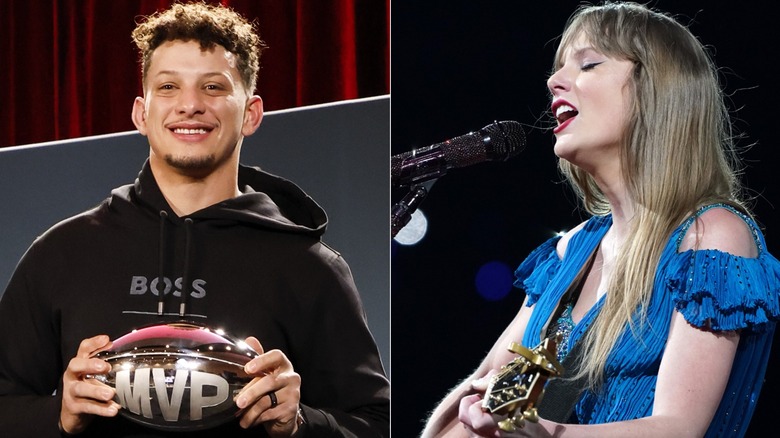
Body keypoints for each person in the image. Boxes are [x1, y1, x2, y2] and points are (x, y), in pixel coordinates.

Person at [0, 2, 389, 437]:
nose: (189, 105)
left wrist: (300, 423)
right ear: (140, 114)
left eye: (213, 87)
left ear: (251, 114)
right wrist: (58, 416)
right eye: (168, 86)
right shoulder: (62, 253)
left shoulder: (310, 267)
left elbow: (376, 423)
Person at [421, 2, 780, 437]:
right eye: (559, 68)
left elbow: (678, 428)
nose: (555, 81)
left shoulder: (711, 238)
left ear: (656, 90)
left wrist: (541, 433)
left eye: (589, 63)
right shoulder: (568, 252)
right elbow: (482, 389)